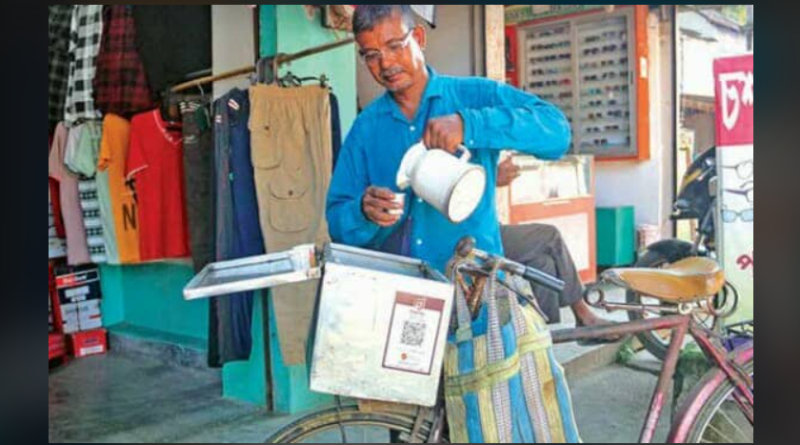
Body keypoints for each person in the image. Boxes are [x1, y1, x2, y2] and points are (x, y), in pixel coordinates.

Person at [326, 5, 572, 277]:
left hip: (476, 284)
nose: (385, 63)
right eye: (372, 55)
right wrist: (362, 212)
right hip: (403, 289)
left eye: (395, 46)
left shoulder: (474, 95)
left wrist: (471, 125)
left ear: (419, 37)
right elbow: (337, 223)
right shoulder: (366, 128)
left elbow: (557, 133)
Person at [496, 157, 615, 330]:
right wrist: (492, 178)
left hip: (490, 229)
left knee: (543, 264)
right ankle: (582, 312)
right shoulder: (459, 152)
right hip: (473, 237)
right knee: (549, 236)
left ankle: (543, 332)